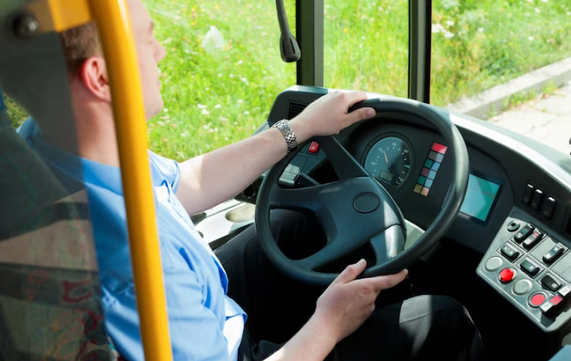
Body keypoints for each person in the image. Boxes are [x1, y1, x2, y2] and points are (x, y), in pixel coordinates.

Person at [17, 0, 488, 360]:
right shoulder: (135, 262)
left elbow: (186, 183)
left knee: (296, 226)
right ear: (101, 78)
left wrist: (298, 128)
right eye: (147, 40)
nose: (160, 52)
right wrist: (328, 324)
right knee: (443, 321)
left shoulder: (54, 143)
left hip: (204, 306)